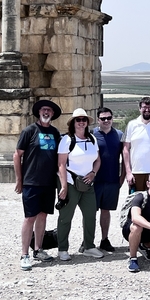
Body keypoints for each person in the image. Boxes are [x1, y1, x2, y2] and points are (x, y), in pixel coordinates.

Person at [13, 99, 62, 270]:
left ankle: (38, 249)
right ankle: (24, 254)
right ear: (39, 112)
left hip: (48, 183)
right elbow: (17, 155)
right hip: (31, 182)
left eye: (49, 110)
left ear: (53, 114)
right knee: (30, 217)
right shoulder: (29, 131)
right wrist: (19, 179)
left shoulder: (56, 133)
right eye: (44, 110)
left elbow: (60, 158)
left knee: (43, 216)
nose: (46, 112)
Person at [56, 108, 105, 261]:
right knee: (66, 217)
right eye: (78, 120)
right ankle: (62, 249)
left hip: (87, 183)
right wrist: (63, 186)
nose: (81, 122)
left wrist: (93, 173)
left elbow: (97, 160)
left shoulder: (92, 139)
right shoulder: (67, 140)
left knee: (90, 215)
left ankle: (89, 246)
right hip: (70, 183)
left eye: (84, 120)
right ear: (73, 123)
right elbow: (61, 164)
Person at [93, 107, 124, 252]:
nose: (106, 121)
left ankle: (104, 240)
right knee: (90, 212)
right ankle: (87, 241)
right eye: (103, 118)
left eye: (109, 118)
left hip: (112, 180)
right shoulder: (91, 134)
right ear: (98, 120)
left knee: (106, 211)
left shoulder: (119, 135)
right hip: (93, 181)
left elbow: (125, 159)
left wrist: (122, 178)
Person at [123, 97, 150, 192]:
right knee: (135, 204)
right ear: (139, 109)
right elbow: (125, 149)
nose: (147, 110)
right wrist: (128, 172)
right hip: (136, 172)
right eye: (144, 107)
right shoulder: (132, 125)